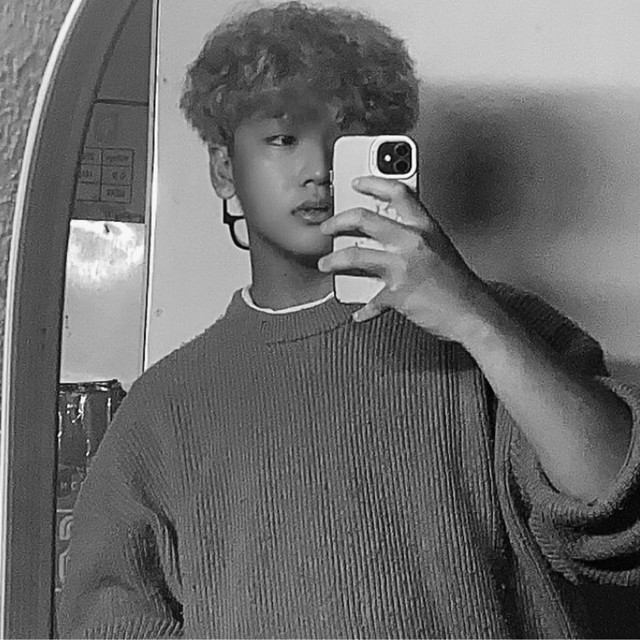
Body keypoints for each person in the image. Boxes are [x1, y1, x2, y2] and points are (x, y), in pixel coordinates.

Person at [58, 2, 640, 638]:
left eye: (345, 143)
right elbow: (109, 623)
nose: (318, 171)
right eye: (283, 140)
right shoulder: (164, 408)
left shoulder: (503, 329)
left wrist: (475, 318)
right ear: (225, 170)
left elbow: (619, 509)